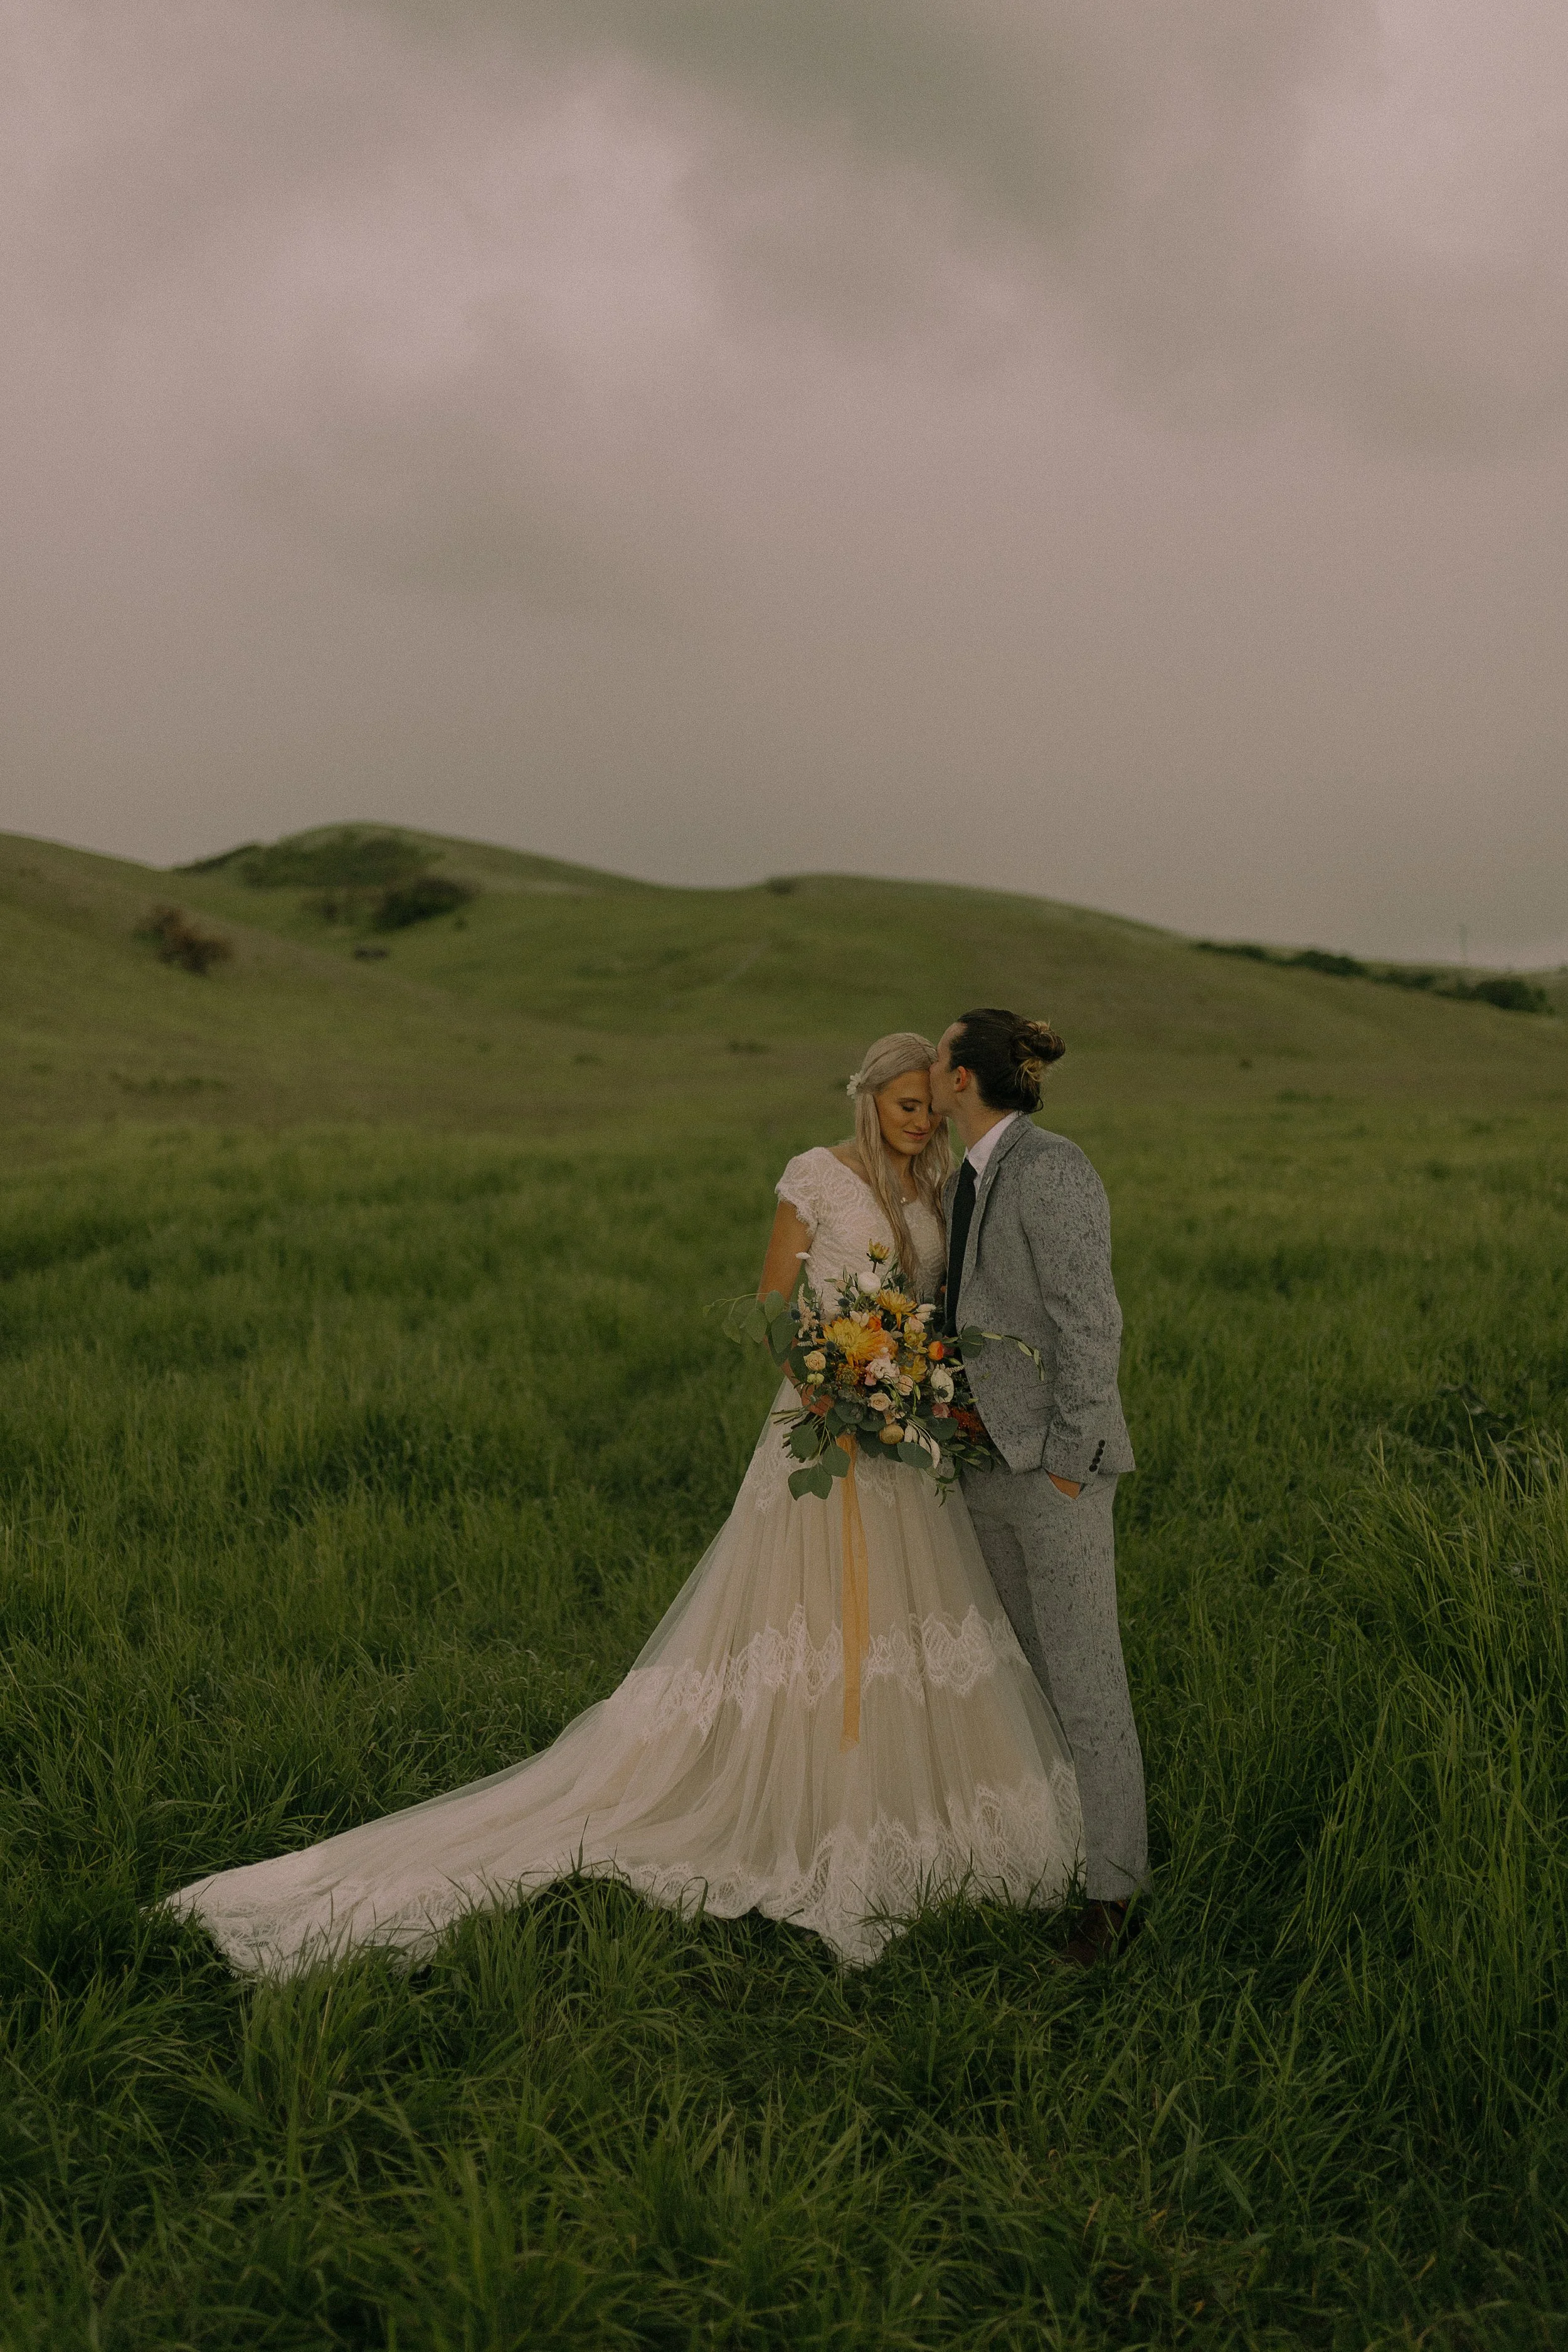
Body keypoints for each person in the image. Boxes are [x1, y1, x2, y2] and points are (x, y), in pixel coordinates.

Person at [163, 1032, 1081, 1976]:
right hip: (821, 1418)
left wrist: (907, 1382)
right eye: (905, 1106)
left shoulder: (934, 1188)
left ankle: (895, 1803)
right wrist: (828, 1385)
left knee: (908, 1614)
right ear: (869, 1096)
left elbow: (931, 1309)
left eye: (932, 1107)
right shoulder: (816, 1172)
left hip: (899, 1438)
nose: (920, 1122)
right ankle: (792, 1795)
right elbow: (773, 1302)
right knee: (804, 1614)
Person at [928, 1008, 1146, 1968]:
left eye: (939, 1055)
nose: (930, 1069)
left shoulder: (1051, 1167)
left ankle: (1116, 1896)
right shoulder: (966, 1176)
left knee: (1087, 1682)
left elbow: (1092, 1324)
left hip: (1052, 1475)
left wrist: (1065, 1459)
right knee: (1025, 1676)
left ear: (965, 1078)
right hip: (981, 1466)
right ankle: (1057, 1853)